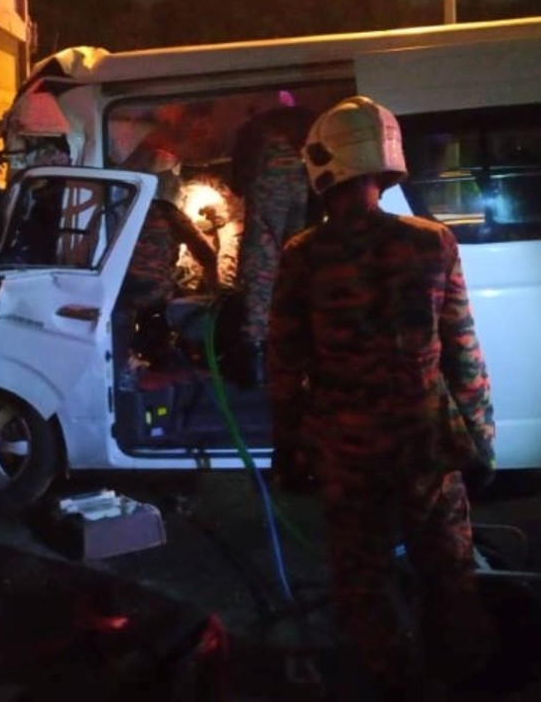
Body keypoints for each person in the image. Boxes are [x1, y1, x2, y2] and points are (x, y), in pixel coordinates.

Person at [266, 96, 497, 699]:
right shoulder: (433, 242)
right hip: (426, 439)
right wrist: (481, 438)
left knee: (364, 581)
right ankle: (466, 676)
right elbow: (463, 350)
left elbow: (285, 364)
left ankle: (398, 683)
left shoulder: (304, 255)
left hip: (347, 447)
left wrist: (289, 448)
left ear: (325, 165)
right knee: (449, 570)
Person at [229, 98, 311, 387]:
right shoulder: (304, 125)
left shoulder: (256, 132)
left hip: (269, 196)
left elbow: (239, 179)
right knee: (297, 262)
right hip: (302, 196)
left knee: (262, 265)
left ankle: (255, 355)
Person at [119, 140, 220, 363]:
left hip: (118, 290)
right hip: (153, 292)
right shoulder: (168, 213)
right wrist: (215, 292)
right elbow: (206, 255)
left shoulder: (117, 209)